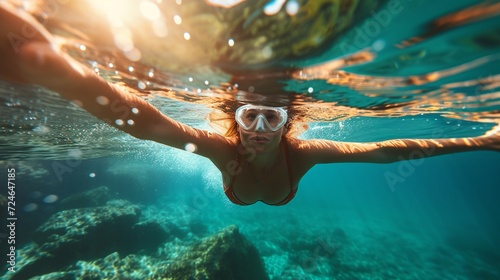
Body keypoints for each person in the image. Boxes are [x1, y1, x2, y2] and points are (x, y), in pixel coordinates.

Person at [1, 3, 498, 206]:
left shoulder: (302, 154)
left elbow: (391, 149)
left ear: (287, 122)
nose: (258, 124)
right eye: (249, 113)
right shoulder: (222, 149)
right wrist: (68, 77)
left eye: (272, 115)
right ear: (235, 116)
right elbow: (151, 126)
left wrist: (481, 139)